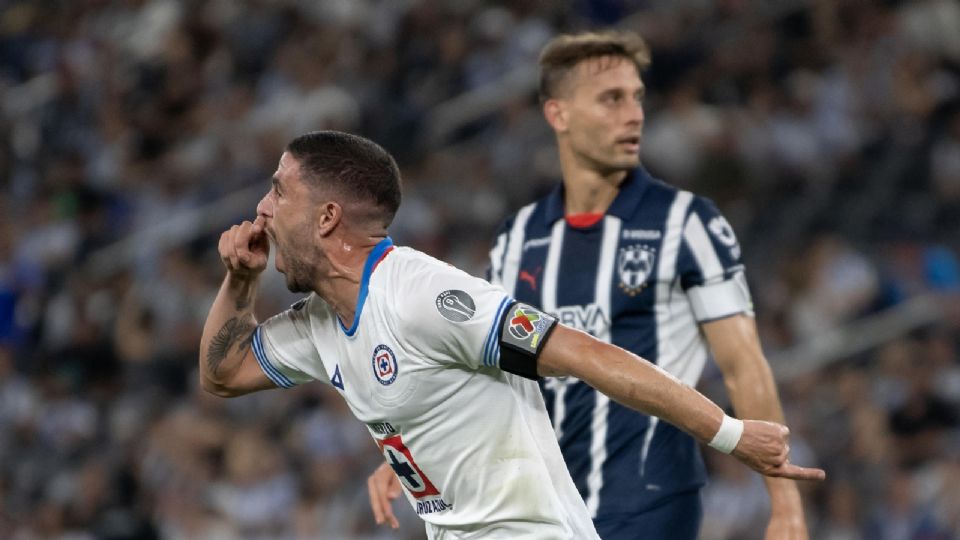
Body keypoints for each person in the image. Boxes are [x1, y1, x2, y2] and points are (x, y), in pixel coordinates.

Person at [200, 130, 823, 540]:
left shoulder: (423, 295)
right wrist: (239, 281)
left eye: (279, 190)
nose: (261, 208)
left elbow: (588, 355)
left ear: (328, 217)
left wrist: (731, 434)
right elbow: (222, 375)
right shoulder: (318, 325)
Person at [367, 32, 812, 539]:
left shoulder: (687, 224)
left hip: (651, 504)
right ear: (559, 115)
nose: (633, 115)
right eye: (611, 99)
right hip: (545, 509)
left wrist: (785, 503)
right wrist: (413, 453)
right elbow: (476, 364)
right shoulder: (520, 238)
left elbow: (743, 361)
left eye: (637, 98)